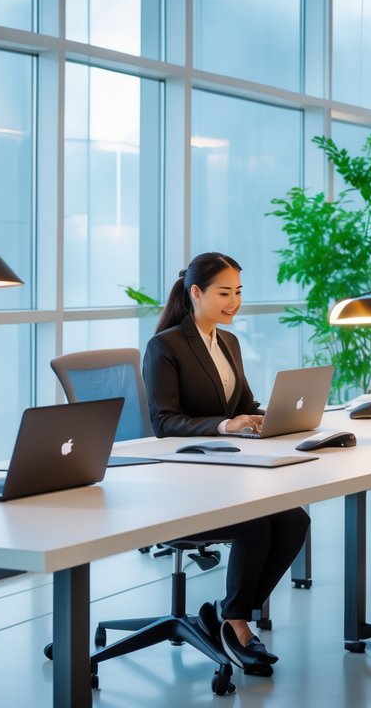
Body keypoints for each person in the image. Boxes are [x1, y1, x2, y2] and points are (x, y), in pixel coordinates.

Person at [143, 252, 311, 676]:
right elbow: (163, 422)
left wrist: (266, 417)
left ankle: (225, 612)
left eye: (238, 292)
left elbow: (243, 404)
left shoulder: (227, 341)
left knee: (293, 521)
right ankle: (236, 624)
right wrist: (224, 425)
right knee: (254, 524)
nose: (234, 302)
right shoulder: (165, 346)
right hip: (181, 485)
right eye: (224, 293)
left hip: (226, 476)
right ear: (196, 293)